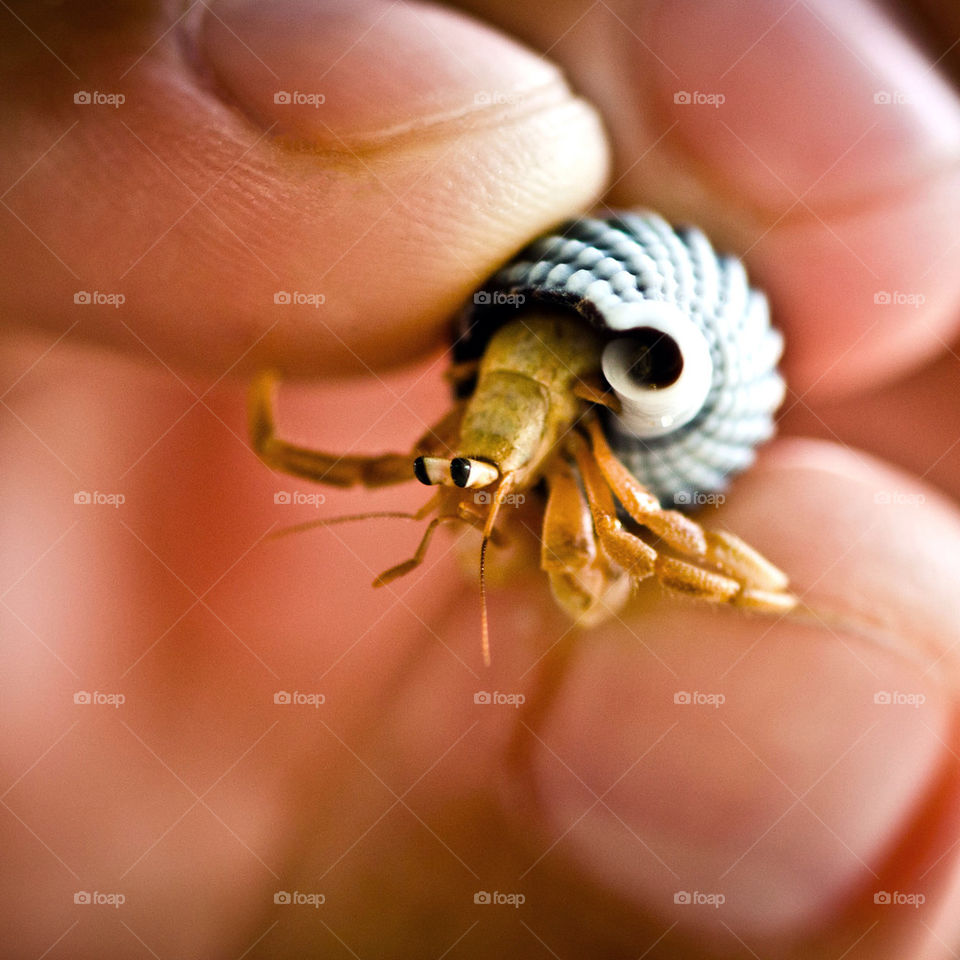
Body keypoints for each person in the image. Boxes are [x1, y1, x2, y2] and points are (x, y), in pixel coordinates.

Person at [3, 0, 960, 956]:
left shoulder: (574, 441)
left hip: (679, 329)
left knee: (616, 541)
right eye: (446, 469)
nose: (452, 488)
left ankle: (752, 595)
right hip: (608, 320)